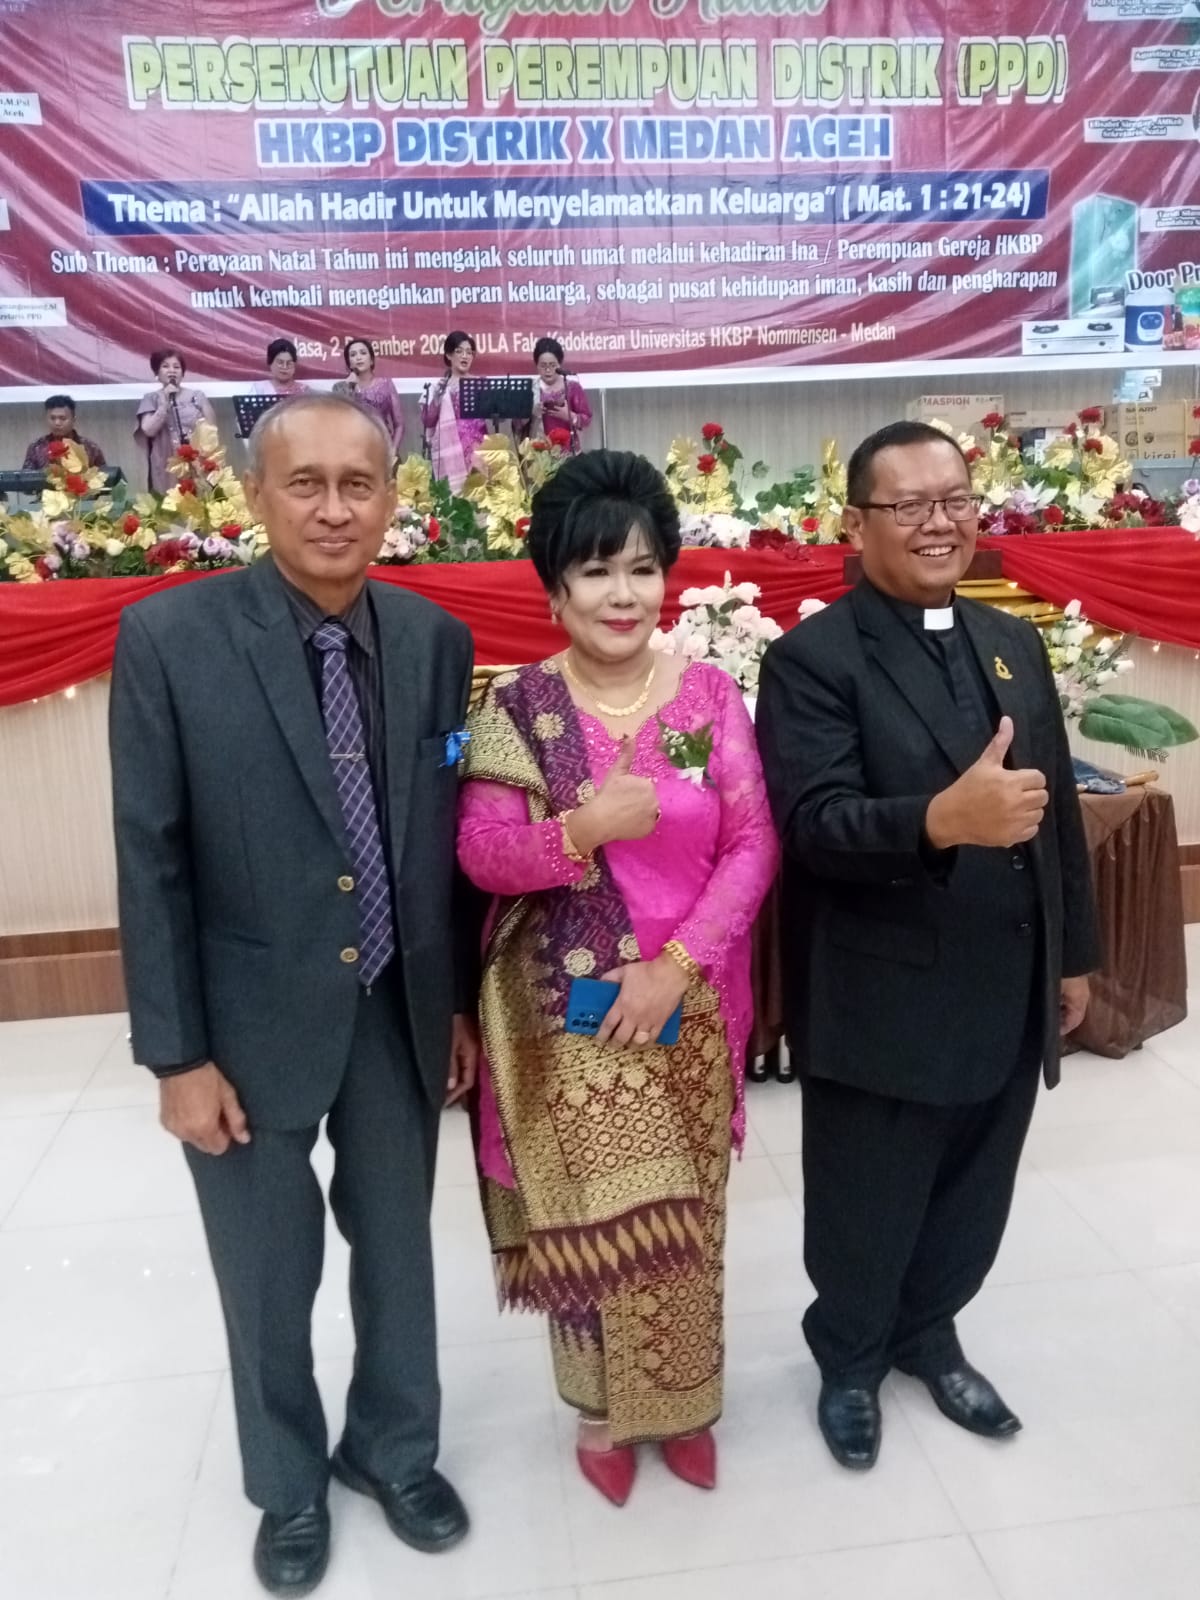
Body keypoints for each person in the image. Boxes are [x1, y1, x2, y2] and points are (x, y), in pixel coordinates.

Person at [110, 393, 477, 1596]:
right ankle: (288, 1484)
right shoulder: (169, 638)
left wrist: (454, 1003)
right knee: (268, 1270)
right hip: (242, 1022)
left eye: (356, 483)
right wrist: (176, 1057)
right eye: (304, 483)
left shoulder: (434, 640)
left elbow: (439, 841)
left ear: (391, 497)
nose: (332, 508)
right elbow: (151, 857)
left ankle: (395, 1450)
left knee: (399, 1252)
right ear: (255, 495)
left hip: (396, 1004)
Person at [755, 420, 1100, 1473]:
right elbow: (812, 825)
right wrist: (940, 822)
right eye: (908, 505)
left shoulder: (1012, 642)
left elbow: (1057, 814)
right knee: (867, 1196)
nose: (938, 522)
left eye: (954, 499)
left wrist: (1073, 954)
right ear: (857, 524)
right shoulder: (813, 661)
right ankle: (851, 1357)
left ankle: (930, 1332)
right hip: (883, 988)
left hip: (1007, 972)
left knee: (974, 1187)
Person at [457, 450, 778, 1506]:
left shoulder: (708, 696)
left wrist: (674, 968)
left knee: (687, 1214)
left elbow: (753, 844)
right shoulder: (517, 709)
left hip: (693, 998)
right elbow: (483, 855)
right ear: (555, 588)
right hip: (568, 1012)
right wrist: (583, 828)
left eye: (642, 568)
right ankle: (600, 1411)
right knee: (589, 1224)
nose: (623, 593)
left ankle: (682, 1404)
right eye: (596, 571)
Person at [134, 349, 216, 492]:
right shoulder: (151, 398)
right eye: (165, 366)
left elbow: (212, 429)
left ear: (183, 373)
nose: (172, 370)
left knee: (200, 500)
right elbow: (148, 430)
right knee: (171, 501)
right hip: (166, 462)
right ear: (157, 373)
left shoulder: (197, 396)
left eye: (176, 367)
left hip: (196, 460)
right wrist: (164, 404)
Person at [420, 331, 486, 491]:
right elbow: (428, 421)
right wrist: (437, 398)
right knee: (454, 498)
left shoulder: (481, 383)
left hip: (477, 448)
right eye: (459, 351)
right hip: (450, 450)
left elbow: (497, 415)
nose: (465, 356)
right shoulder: (439, 387)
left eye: (469, 352)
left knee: (479, 495)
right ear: (449, 355)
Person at [332, 336, 404, 452]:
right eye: (353, 355)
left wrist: (393, 451)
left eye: (363, 353)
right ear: (349, 364)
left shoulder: (385, 384)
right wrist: (349, 387)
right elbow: (339, 423)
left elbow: (399, 424)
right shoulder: (340, 388)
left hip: (382, 448)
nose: (358, 357)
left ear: (371, 360)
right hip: (353, 450)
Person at [526, 336, 592, 453]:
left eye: (552, 365)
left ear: (560, 364)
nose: (548, 370)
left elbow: (587, 419)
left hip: (567, 452)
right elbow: (517, 424)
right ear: (536, 365)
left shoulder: (572, 387)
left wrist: (570, 416)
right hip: (538, 452)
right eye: (543, 366)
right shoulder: (530, 389)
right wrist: (531, 413)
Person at [22, 394, 106, 471]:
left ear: (73, 419)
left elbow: (104, 476)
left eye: (62, 418)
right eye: (52, 418)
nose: (57, 423)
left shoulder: (90, 447)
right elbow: (26, 478)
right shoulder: (36, 447)